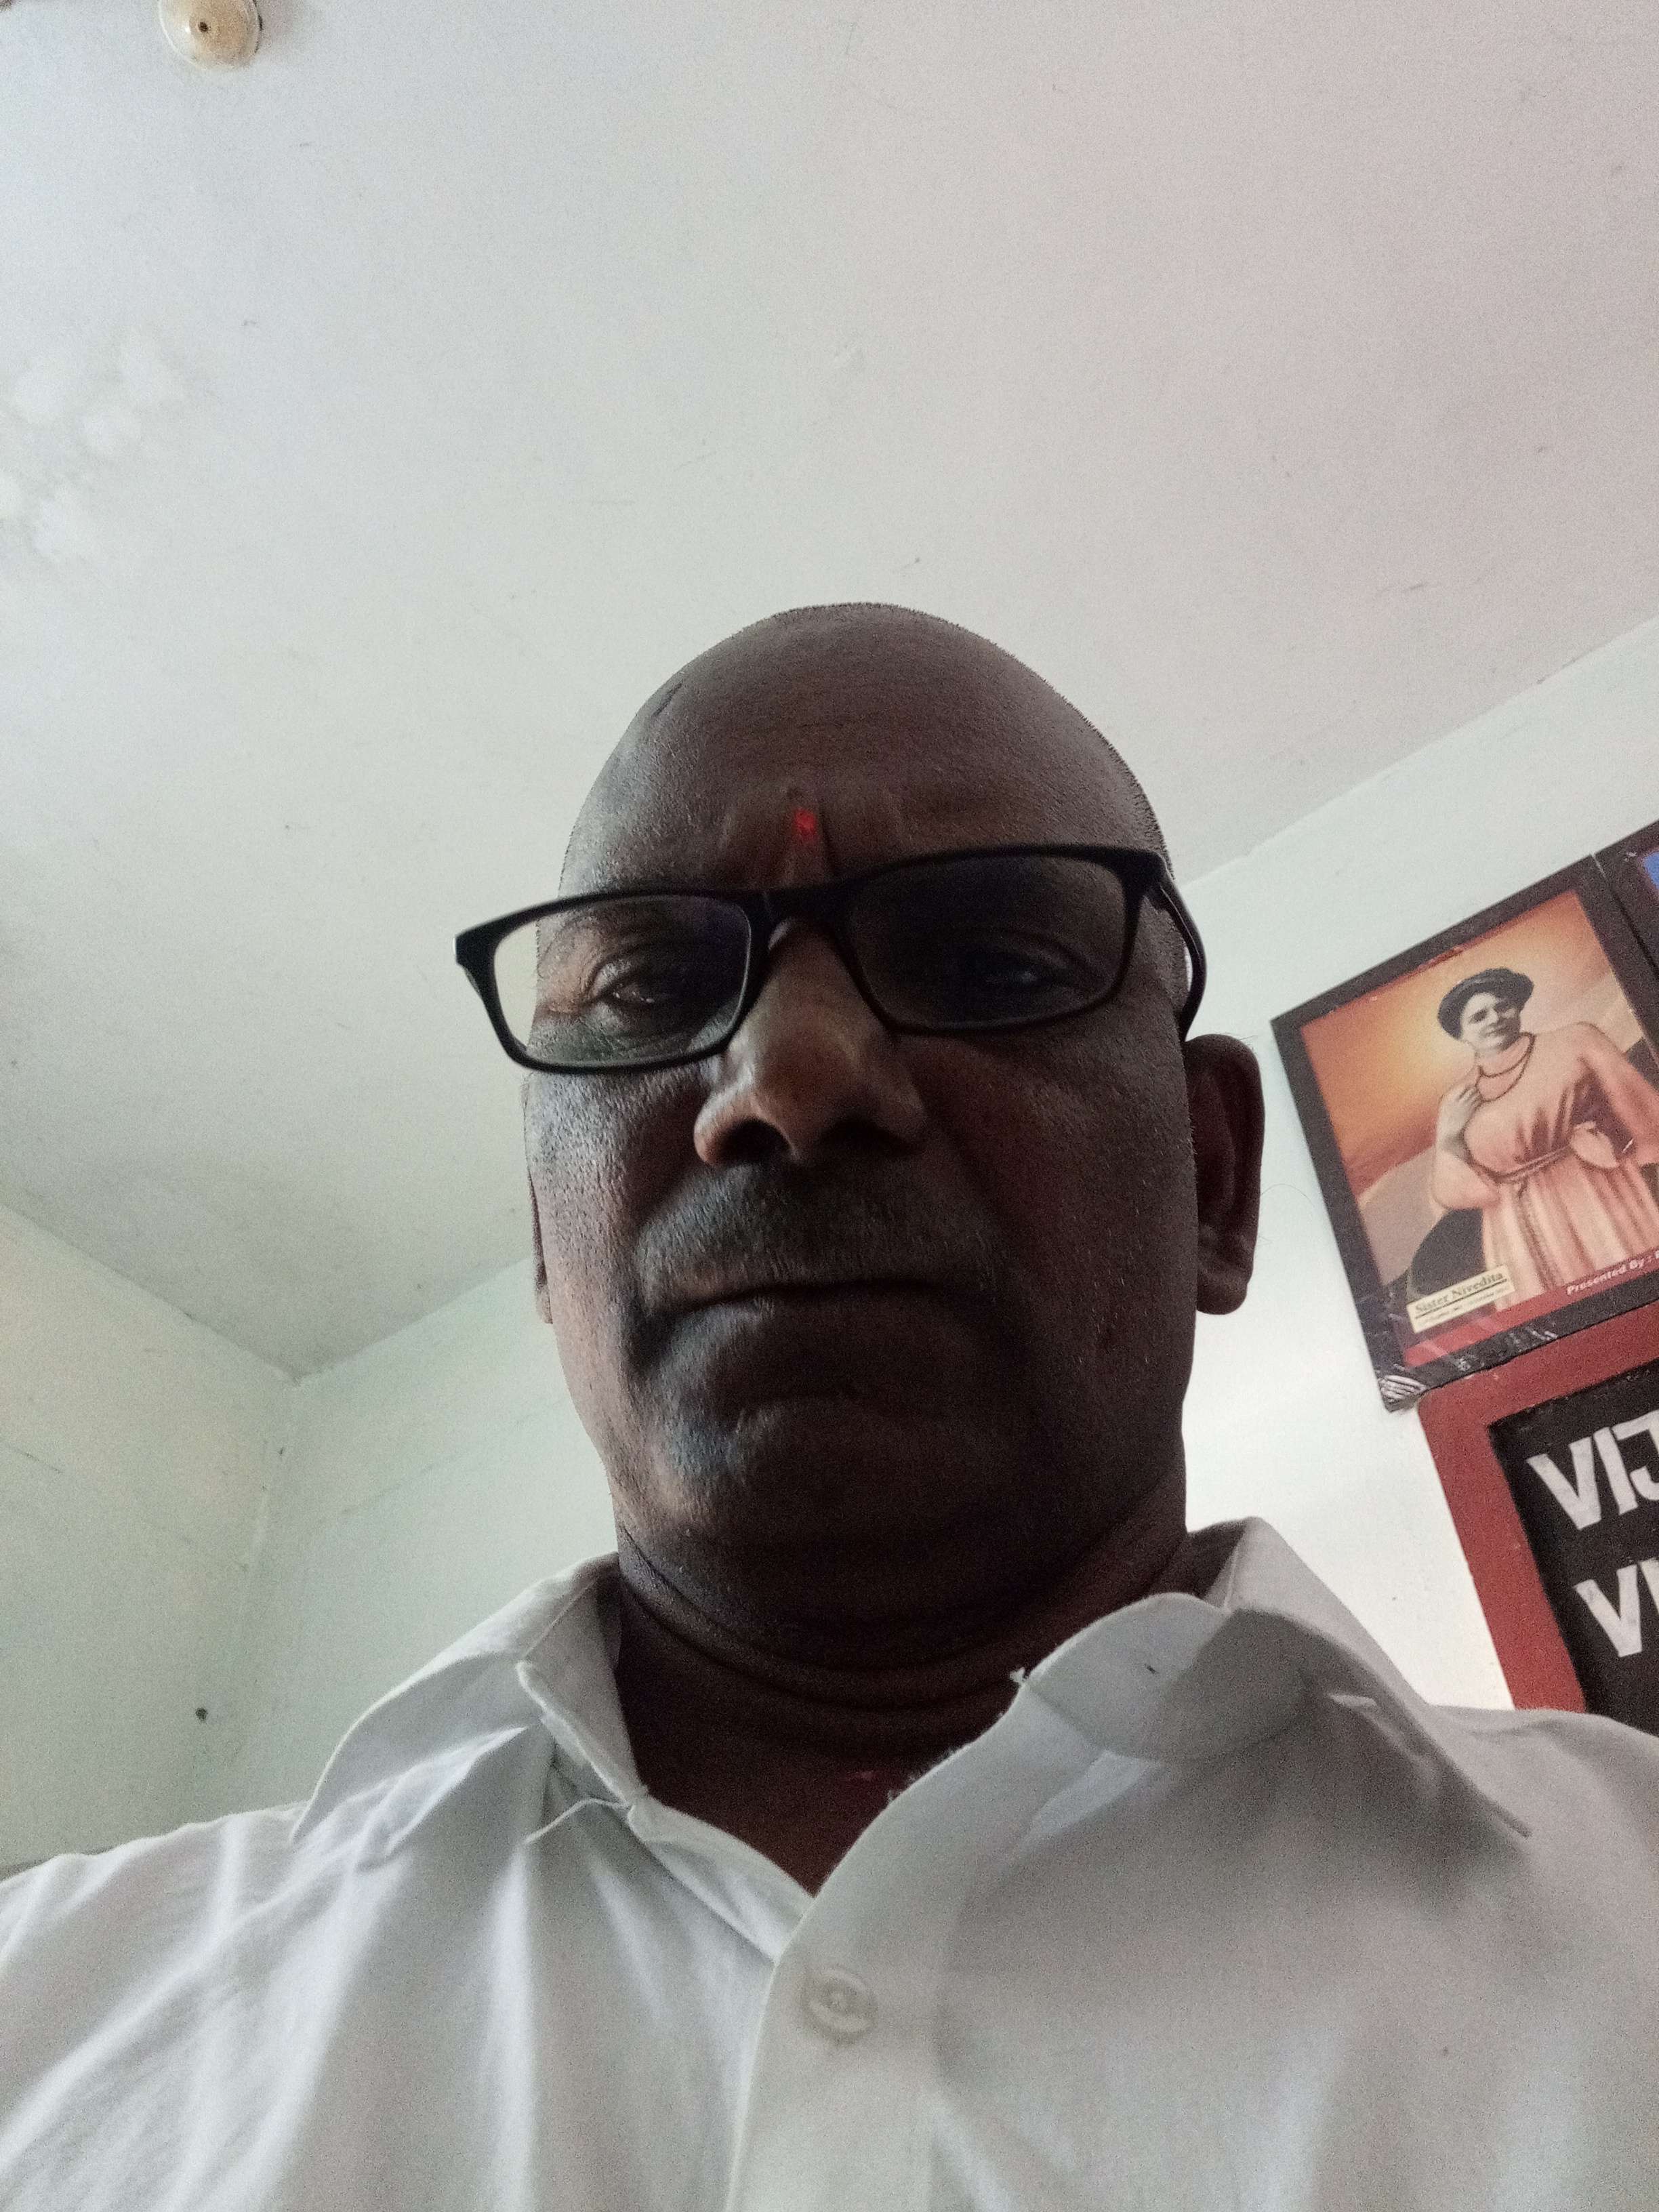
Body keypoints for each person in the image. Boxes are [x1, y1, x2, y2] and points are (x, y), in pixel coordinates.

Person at [3, 605, 1657, 2209]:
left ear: (1212, 1180)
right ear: (544, 1236)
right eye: (649, 989)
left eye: (988, 959)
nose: (789, 1079)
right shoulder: (50, 2014)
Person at [1431, 964, 1659, 1307]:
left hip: (1594, 1188)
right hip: (1515, 1224)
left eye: (1503, 1006)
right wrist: (1448, 1137)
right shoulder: (1456, 1098)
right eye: (1479, 1017)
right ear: (1462, 1034)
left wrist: (1649, 1158)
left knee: (1632, 1289)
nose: (1494, 1019)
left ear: (1518, 1007)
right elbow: (1453, 1192)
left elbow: (1638, 1105)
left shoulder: (1576, 1039)